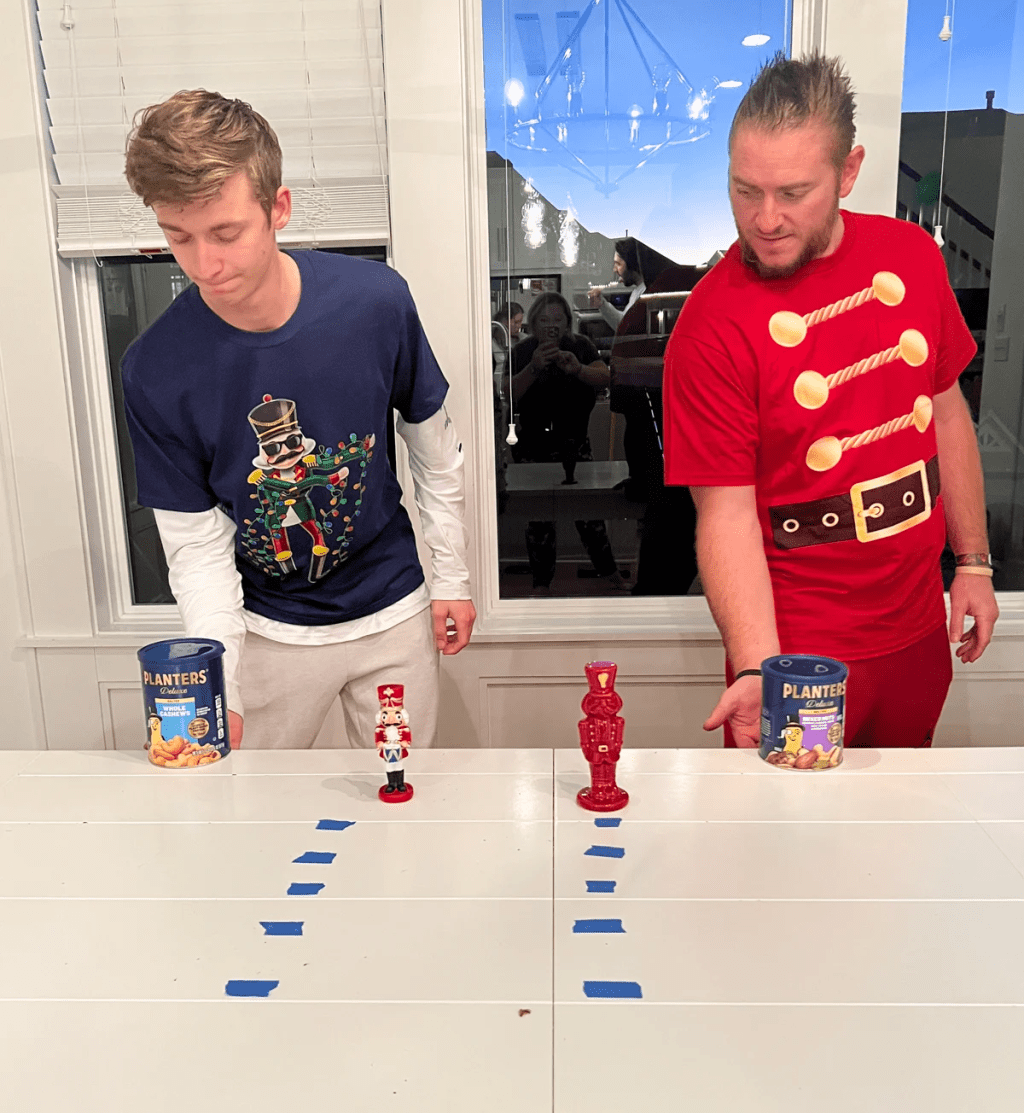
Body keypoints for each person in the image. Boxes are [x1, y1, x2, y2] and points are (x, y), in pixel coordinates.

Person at [120, 90, 476, 750]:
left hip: (393, 609)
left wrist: (453, 576)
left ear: (278, 208)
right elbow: (194, 547)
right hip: (264, 627)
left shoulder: (375, 303)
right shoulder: (155, 368)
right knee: (253, 818)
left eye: (226, 232)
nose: (205, 264)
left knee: (403, 806)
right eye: (178, 238)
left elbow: (432, 444)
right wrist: (215, 678)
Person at [663, 53, 998, 748]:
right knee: (790, 849)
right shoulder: (710, 325)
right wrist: (759, 666)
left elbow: (945, 409)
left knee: (901, 842)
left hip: (916, 629)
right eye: (744, 189)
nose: (765, 218)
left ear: (848, 173)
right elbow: (724, 514)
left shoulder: (912, 255)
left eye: (793, 191)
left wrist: (973, 561)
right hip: (799, 653)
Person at [509, 292, 627, 592]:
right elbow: (507, 393)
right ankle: (541, 584)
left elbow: (604, 377)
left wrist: (578, 369)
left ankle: (610, 574)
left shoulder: (581, 346)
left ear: (567, 323)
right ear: (534, 322)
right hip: (532, 446)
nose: (552, 326)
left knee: (589, 516)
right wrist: (534, 367)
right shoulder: (523, 351)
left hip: (575, 443)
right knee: (538, 521)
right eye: (545, 320)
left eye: (558, 320)